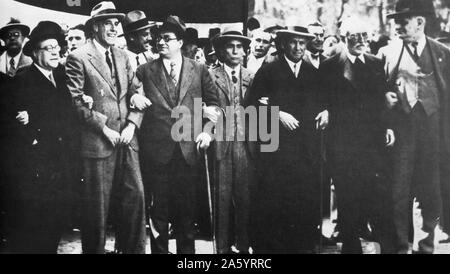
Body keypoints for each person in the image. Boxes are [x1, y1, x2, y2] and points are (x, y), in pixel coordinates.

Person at [131, 15, 220, 254]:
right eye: (158, 38)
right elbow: (130, 95)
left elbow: (215, 108)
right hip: (156, 153)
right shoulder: (144, 70)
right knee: (158, 214)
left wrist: (207, 133)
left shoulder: (199, 70)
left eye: (167, 39)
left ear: (180, 42)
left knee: (186, 214)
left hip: (189, 152)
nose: (160, 42)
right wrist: (133, 96)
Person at [65, 1, 146, 254]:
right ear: (95, 27)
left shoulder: (123, 56)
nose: (114, 28)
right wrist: (105, 128)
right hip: (99, 143)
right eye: (108, 23)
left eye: (116, 23)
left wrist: (132, 124)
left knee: (136, 199)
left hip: (127, 140)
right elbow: (75, 102)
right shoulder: (78, 57)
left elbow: (137, 90)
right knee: (97, 211)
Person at [379, 0, 450, 254]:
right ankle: (400, 247)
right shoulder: (387, 53)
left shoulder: (442, 53)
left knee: (430, 191)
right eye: (396, 21)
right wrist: (385, 101)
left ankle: (425, 246)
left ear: (420, 22)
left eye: (403, 21)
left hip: (433, 134)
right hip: (401, 134)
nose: (397, 25)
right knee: (398, 192)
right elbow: (378, 93)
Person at [250, 26, 329, 253]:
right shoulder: (269, 71)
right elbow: (252, 105)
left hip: (306, 152)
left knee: (304, 202)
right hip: (277, 153)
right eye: (293, 43)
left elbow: (326, 101)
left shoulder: (313, 73)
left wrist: (326, 112)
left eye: (302, 43)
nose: (298, 48)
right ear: (283, 44)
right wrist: (277, 113)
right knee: (276, 202)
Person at [321, 17, 396, 254]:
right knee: (347, 194)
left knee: (374, 192)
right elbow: (322, 100)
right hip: (342, 144)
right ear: (345, 37)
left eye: (366, 35)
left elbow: (382, 100)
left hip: (371, 143)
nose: (362, 41)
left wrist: (388, 127)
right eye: (356, 36)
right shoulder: (330, 65)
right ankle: (351, 246)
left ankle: (382, 245)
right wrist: (324, 111)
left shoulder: (375, 63)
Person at [5, 21, 74, 253]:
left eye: (57, 46)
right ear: (35, 52)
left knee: (53, 228)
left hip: (60, 166)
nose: (55, 51)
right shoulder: (22, 80)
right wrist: (32, 136)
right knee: (33, 230)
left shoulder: (63, 79)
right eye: (48, 47)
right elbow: (10, 123)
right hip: (35, 170)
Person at [209, 27, 256, 254]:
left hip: (247, 145)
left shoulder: (252, 76)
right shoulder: (210, 75)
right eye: (230, 46)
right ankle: (223, 249)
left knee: (246, 198)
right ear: (220, 50)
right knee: (222, 199)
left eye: (240, 47)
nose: (236, 51)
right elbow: (201, 107)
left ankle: (244, 246)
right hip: (220, 143)